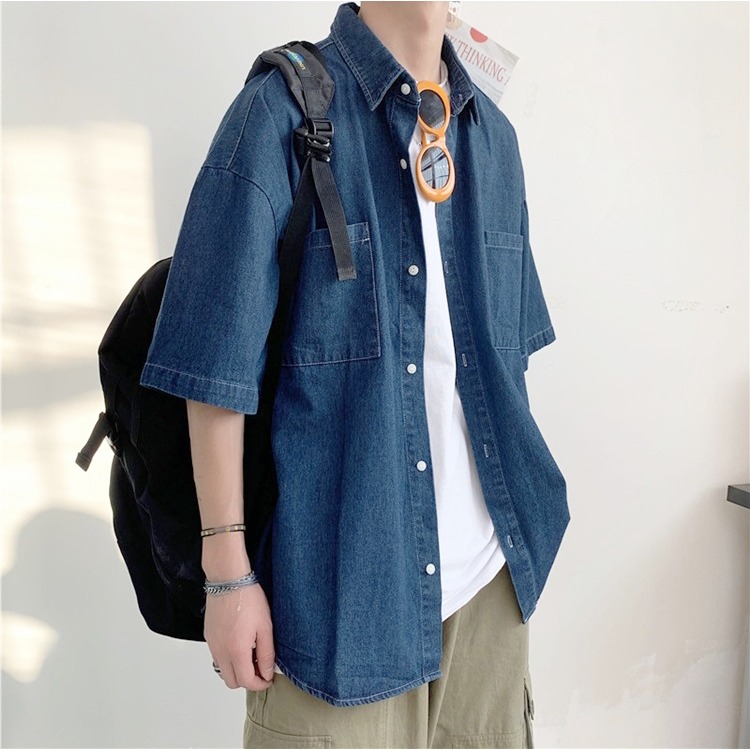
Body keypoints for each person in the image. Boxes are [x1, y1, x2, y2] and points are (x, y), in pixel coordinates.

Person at [139, 1, 570, 747]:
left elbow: (506, 370)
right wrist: (227, 573)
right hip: (338, 602)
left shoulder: (493, 140)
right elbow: (213, 367)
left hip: (490, 593)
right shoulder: (279, 114)